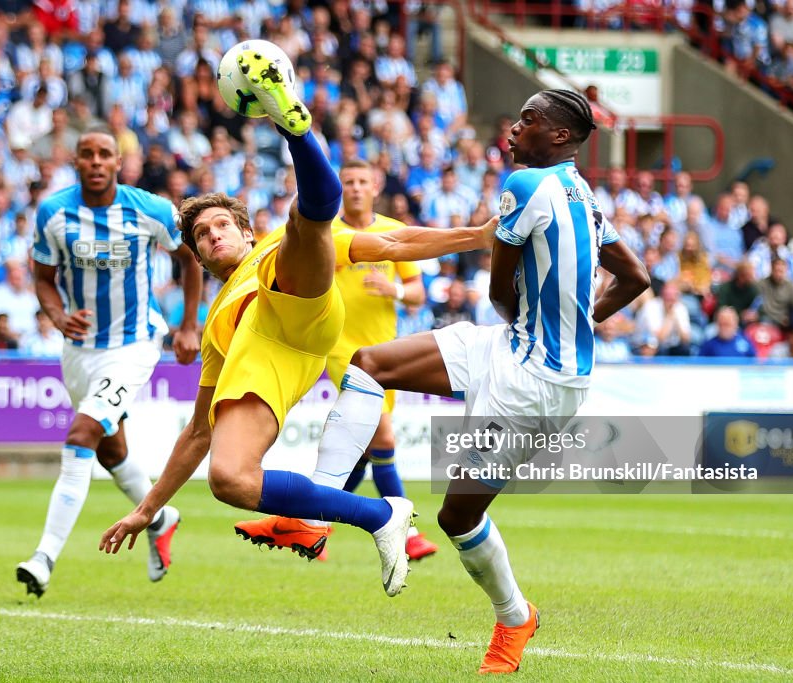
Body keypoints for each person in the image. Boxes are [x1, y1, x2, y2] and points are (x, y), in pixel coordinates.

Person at [99, 51, 496, 597]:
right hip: (269, 361)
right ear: (196, 256)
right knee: (228, 479)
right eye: (201, 236)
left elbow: (393, 241)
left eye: (222, 225)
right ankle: (380, 515)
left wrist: (473, 237)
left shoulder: (263, 252)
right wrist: (146, 511)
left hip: (296, 301)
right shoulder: (217, 325)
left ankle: (294, 126)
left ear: (242, 229)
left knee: (305, 224)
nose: (214, 236)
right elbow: (196, 433)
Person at [302, 90, 649, 672]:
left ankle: (516, 617)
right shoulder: (581, 194)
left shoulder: (525, 185)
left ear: (560, 136)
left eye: (530, 119)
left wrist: (554, 328)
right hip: (511, 348)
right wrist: (574, 323)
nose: (515, 127)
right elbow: (635, 276)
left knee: (456, 518)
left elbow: (497, 292)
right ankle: (309, 516)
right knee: (370, 363)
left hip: (535, 382)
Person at [15, 127, 203, 598]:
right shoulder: (54, 213)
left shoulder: (150, 209)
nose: (96, 161)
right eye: (87, 154)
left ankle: (43, 557)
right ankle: (160, 518)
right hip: (79, 351)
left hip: (134, 344)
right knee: (110, 449)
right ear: (76, 162)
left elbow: (190, 259)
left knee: (81, 434)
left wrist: (187, 327)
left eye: (105, 154)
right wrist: (57, 314)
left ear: (119, 162)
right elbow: (42, 276)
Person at [232, 159, 439, 563]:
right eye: (349, 182)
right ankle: (408, 531)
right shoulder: (327, 233)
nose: (357, 188)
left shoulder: (391, 232)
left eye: (363, 181)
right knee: (383, 439)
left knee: (358, 455)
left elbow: (417, 293)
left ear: (376, 186)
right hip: (343, 351)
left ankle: (306, 526)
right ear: (340, 188)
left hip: (386, 352)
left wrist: (392, 290)